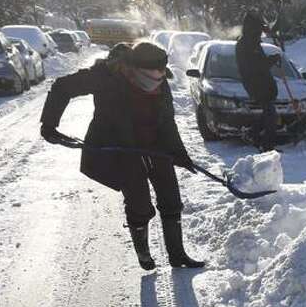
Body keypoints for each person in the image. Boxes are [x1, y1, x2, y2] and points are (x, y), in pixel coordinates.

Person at [39, 41, 205, 270]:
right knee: (140, 205)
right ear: (135, 69)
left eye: (160, 77)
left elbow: (167, 122)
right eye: (151, 77)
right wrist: (49, 124)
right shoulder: (106, 76)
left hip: (155, 146)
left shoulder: (160, 80)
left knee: (171, 200)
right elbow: (62, 87)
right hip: (121, 147)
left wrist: (179, 154)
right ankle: (144, 254)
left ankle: (177, 254)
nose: (157, 82)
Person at [235, 11, 280, 152]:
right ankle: (267, 146)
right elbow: (255, 66)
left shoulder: (253, 42)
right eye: (259, 30)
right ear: (252, 28)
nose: (261, 33)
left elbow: (260, 63)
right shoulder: (245, 44)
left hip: (263, 84)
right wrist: (270, 61)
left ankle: (252, 134)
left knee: (268, 115)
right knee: (270, 115)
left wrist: (271, 60)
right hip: (256, 84)